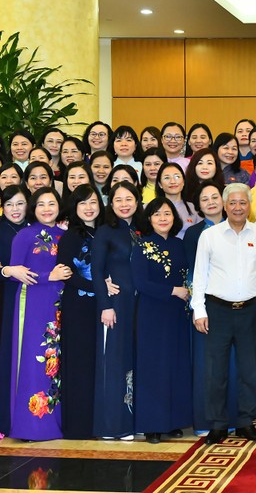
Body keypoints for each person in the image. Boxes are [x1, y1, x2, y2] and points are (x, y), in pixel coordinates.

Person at [191, 183, 256, 445]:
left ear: (249, 206)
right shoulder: (210, 236)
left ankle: (245, 422)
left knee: (249, 369)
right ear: (225, 206)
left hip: (251, 310)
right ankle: (217, 424)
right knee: (215, 370)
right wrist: (199, 310)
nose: (238, 207)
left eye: (243, 202)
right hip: (217, 311)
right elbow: (199, 275)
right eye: (233, 202)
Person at [8, 187, 70, 441]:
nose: (47, 208)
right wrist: (49, 276)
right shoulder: (25, 235)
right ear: (33, 208)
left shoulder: (65, 235)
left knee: (58, 363)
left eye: (51, 203)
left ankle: (58, 422)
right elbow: (17, 274)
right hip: (33, 304)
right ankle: (31, 425)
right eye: (41, 204)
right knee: (35, 361)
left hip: (61, 305)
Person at [131, 197, 191, 443]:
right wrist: (172, 291)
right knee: (153, 367)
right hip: (152, 313)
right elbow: (140, 282)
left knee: (176, 365)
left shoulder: (179, 244)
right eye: (157, 214)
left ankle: (173, 421)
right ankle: (152, 425)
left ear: (174, 217)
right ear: (149, 219)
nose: (163, 218)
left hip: (177, 314)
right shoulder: (142, 246)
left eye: (167, 213)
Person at [183, 181, 240, 436]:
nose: (210, 202)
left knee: (233, 363)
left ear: (224, 200)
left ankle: (233, 418)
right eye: (204, 199)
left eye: (215, 197)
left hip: (236, 307)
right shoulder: (194, 234)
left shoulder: (239, 228)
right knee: (206, 365)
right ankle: (206, 421)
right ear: (198, 205)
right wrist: (199, 308)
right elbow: (192, 273)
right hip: (205, 308)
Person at [91, 182, 143, 440]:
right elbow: (96, 270)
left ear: (137, 201)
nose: (124, 204)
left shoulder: (141, 230)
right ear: (110, 204)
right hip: (116, 306)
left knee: (137, 361)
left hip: (141, 307)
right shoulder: (105, 231)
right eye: (118, 200)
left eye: (129, 198)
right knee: (114, 362)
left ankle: (136, 419)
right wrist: (105, 305)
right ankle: (113, 425)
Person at [57, 184, 103, 440]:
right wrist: (100, 287)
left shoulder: (105, 232)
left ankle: (99, 422)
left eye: (93, 201)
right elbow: (66, 274)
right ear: (74, 207)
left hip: (102, 307)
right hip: (78, 308)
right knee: (80, 365)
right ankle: (79, 426)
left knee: (98, 364)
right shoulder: (72, 236)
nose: (89, 207)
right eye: (82, 203)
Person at [0, 186, 29, 437]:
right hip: (6, 298)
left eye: (20, 203)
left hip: (36, 301)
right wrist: (6, 270)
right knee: (7, 355)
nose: (15, 209)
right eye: (9, 204)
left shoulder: (35, 227)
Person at [155, 162, 202, 238]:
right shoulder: (148, 208)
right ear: (160, 184)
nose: (172, 181)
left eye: (177, 177)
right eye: (167, 178)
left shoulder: (193, 208)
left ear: (183, 182)